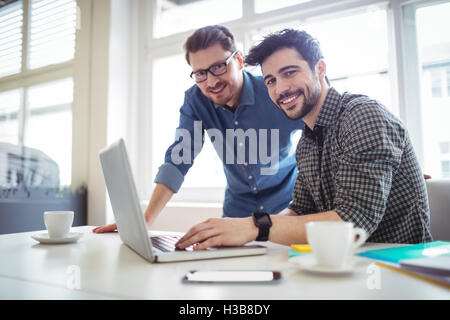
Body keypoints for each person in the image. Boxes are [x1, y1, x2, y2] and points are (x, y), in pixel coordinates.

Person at [175, 29, 432, 250]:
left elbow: (352, 223)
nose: (280, 89)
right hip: (340, 265)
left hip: (393, 267)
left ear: (320, 69)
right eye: (271, 80)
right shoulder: (308, 142)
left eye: (290, 73)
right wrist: (247, 238)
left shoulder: (362, 115)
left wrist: (255, 227)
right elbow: (300, 210)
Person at [93, 25, 303, 233]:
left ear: (238, 60)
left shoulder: (273, 90)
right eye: (201, 73)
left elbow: (316, 128)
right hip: (236, 215)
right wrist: (144, 220)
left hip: (285, 211)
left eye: (219, 67)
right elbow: (179, 158)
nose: (211, 81)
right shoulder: (195, 101)